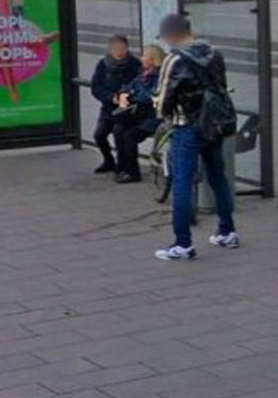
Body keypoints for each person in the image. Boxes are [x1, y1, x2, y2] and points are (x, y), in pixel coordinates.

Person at [152, 14, 239, 260]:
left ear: (171, 35)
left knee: (182, 182)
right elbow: (220, 86)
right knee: (217, 177)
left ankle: (183, 244)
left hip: (186, 126)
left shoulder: (174, 59)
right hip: (213, 124)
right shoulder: (214, 53)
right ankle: (227, 231)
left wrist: (161, 112)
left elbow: (163, 98)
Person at [111, 44, 164, 183]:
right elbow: (127, 87)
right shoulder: (142, 75)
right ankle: (122, 166)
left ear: (153, 59)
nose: (141, 58)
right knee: (118, 129)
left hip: (153, 117)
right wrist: (122, 94)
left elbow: (150, 97)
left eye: (144, 55)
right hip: (138, 115)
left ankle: (133, 172)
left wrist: (131, 96)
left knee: (130, 136)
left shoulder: (159, 77)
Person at [89, 34, 140, 174]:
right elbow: (96, 87)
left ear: (127, 48)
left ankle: (122, 164)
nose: (119, 52)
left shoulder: (134, 65)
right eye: (115, 49)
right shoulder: (103, 64)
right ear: (110, 50)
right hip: (109, 107)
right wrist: (111, 98)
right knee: (99, 135)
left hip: (127, 109)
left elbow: (138, 86)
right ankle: (108, 160)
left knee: (120, 134)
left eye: (122, 48)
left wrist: (126, 97)